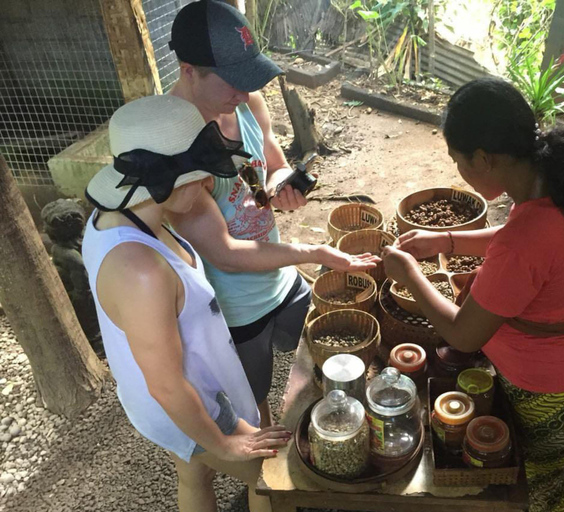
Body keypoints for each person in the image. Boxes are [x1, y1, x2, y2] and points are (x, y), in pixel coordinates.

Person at [382, 77, 564, 512]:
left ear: (483, 158)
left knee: (538, 493)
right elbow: (528, 236)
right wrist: (449, 241)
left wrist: (409, 272)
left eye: (458, 160)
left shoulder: (523, 244)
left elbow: (463, 335)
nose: (459, 170)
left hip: (555, 396)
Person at [165, 0, 379, 427]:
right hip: (234, 308)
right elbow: (224, 253)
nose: (243, 94)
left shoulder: (245, 103)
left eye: (248, 80)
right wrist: (314, 252)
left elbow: (271, 159)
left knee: (332, 346)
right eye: (232, 83)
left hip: (280, 275)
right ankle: (264, 482)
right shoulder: (175, 146)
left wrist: (281, 183)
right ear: (189, 70)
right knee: (254, 405)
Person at [82, 95, 291, 512]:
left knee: (192, 474)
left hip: (183, 385)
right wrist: (226, 443)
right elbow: (166, 384)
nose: (208, 184)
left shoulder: (116, 217)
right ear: (166, 180)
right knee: (272, 478)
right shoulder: (141, 269)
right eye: (199, 175)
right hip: (189, 399)